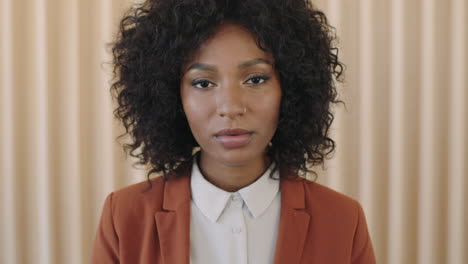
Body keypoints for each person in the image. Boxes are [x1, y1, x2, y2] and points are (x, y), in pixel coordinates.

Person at [91, 0, 376, 263]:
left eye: (255, 79)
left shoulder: (342, 220)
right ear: (170, 96)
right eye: (203, 83)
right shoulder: (124, 218)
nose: (230, 107)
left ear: (289, 89)